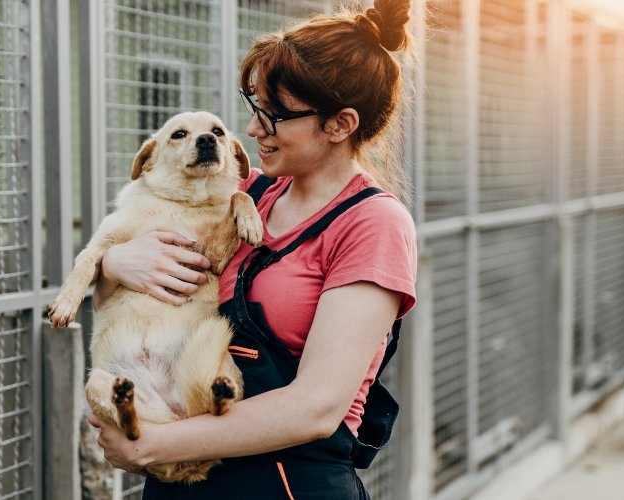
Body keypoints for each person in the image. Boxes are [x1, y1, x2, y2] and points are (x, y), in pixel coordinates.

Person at [88, 0, 418, 497]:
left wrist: (154, 445)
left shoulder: (372, 224)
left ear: (340, 125)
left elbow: (315, 408)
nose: (254, 129)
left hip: (287, 481)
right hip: (186, 473)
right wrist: (114, 263)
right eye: (254, 106)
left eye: (276, 115)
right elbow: (121, 302)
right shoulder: (247, 194)